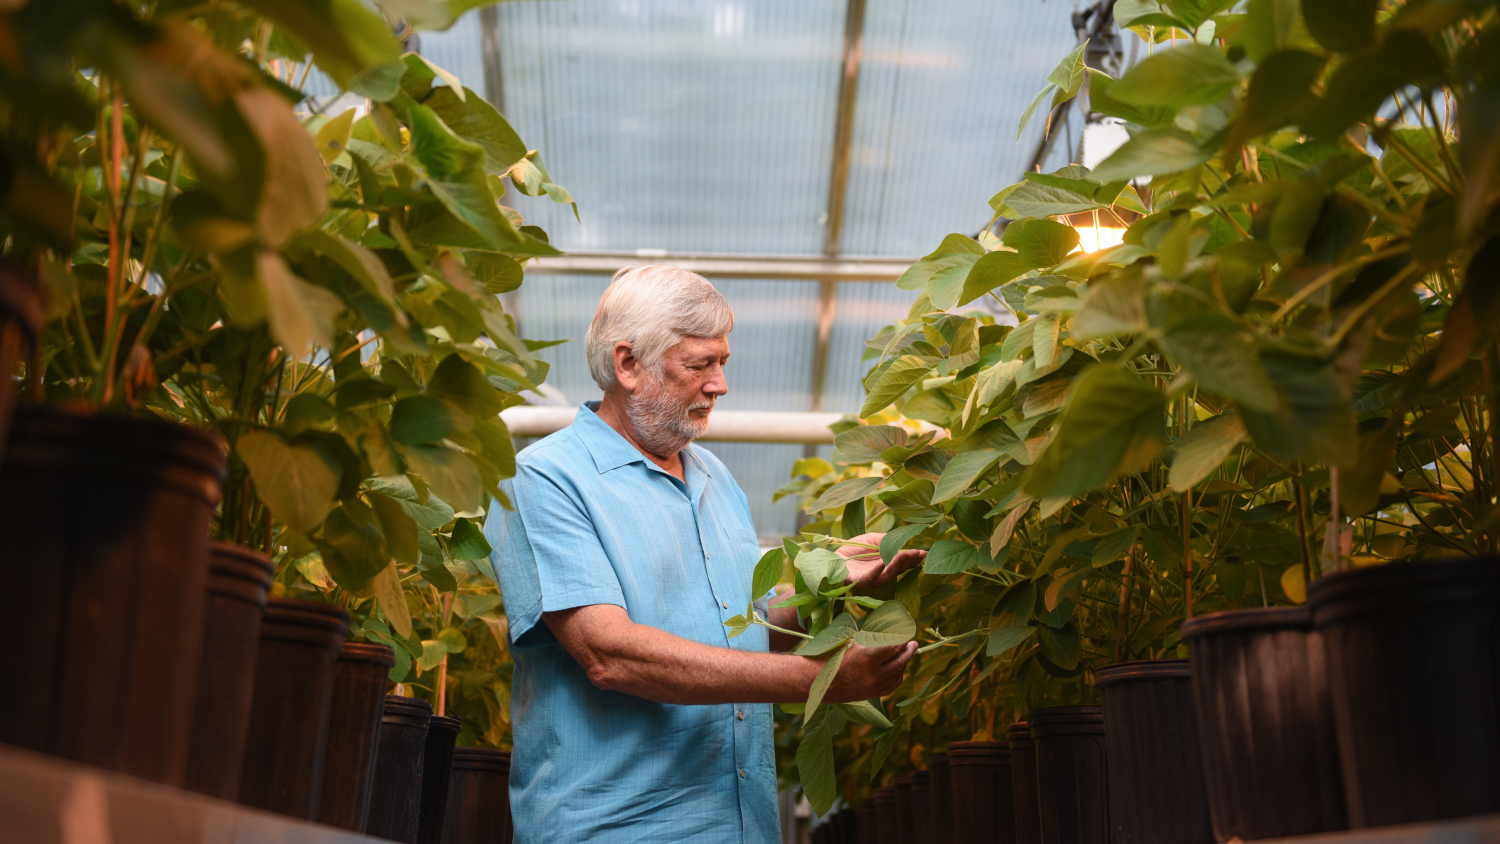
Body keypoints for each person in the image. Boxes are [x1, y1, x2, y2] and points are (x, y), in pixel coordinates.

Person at [485, 265, 925, 844]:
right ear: (628, 365)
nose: (719, 385)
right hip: (616, 829)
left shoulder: (715, 478)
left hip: (741, 826)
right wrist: (815, 678)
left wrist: (833, 584)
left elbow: (747, 627)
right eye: (699, 365)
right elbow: (609, 653)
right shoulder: (545, 479)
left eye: (722, 363)